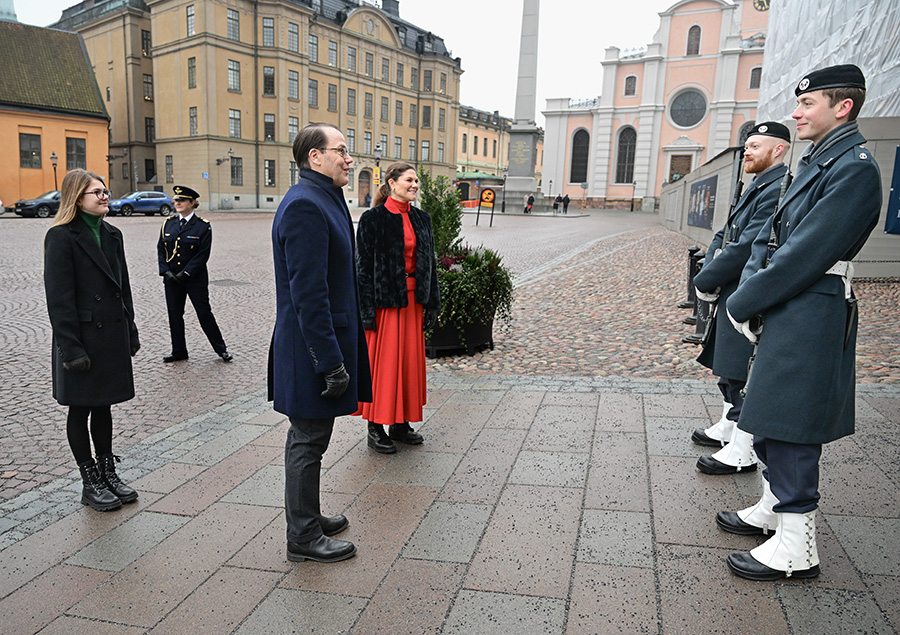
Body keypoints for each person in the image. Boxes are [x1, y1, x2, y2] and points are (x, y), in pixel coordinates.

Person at [720, 64, 881, 581]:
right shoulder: (821, 161)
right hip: (790, 302)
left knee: (791, 424)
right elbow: (768, 240)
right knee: (767, 413)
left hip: (811, 305)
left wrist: (745, 302)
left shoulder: (854, 168)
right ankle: (774, 507)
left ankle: (796, 545)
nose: (796, 112)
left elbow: (805, 253)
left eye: (807, 104)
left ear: (843, 107)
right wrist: (749, 290)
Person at [269, 123, 373, 563]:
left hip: (320, 340)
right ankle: (303, 536)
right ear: (315, 156)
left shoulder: (320, 197)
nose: (349, 158)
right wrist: (329, 362)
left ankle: (307, 516)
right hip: (312, 346)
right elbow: (308, 294)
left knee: (314, 435)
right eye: (342, 151)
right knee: (308, 438)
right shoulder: (306, 206)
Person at [691, 122, 791, 476]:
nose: (746, 151)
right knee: (728, 365)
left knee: (741, 369)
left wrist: (708, 277)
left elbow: (749, 243)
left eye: (754, 145)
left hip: (745, 284)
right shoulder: (758, 184)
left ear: (778, 149)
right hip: (732, 282)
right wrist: (712, 263)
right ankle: (730, 426)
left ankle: (743, 449)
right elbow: (726, 232)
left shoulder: (777, 187)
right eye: (746, 145)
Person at [43, 169, 140, 512]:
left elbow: (122, 288)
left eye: (104, 191)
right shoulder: (61, 237)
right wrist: (70, 348)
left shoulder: (112, 234)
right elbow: (59, 299)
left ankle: (108, 472)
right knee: (80, 407)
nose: (104, 196)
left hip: (110, 335)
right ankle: (90, 481)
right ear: (77, 198)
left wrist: (130, 330)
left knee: (104, 405)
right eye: (96, 192)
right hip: (82, 339)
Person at [355, 162, 441, 454]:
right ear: (392, 183)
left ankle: (401, 424)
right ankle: (375, 427)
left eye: (416, 180)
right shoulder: (372, 219)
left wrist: (432, 304)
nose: (415, 184)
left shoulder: (422, 219)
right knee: (385, 367)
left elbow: (429, 264)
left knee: (407, 364)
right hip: (386, 305)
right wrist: (365, 310)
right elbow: (362, 269)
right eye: (409, 180)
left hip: (413, 304)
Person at [157, 185, 232, 363]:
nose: (177, 203)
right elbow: (161, 249)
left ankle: (221, 349)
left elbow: (202, 255)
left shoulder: (202, 227)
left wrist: (187, 272)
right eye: (176, 200)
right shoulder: (168, 224)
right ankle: (179, 351)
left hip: (194, 279)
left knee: (204, 313)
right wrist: (165, 271)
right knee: (174, 315)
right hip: (172, 278)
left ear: (192, 203)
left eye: (182, 200)